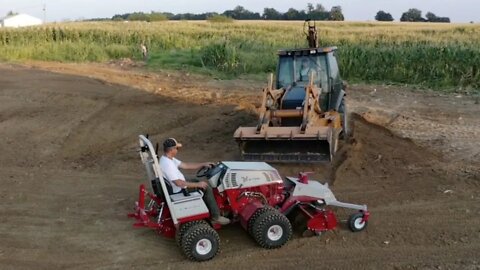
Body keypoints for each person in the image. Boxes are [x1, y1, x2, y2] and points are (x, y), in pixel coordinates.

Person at [159, 138, 230, 225]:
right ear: (171, 150)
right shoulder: (167, 164)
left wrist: (203, 164)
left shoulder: (168, 158)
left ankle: (209, 206)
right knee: (206, 187)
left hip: (179, 183)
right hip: (179, 189)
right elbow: (179, 183)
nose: (178, 150)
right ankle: (216, 217)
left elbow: (186, 165)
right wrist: (198, 185)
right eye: (176, 148)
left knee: (197, 180)